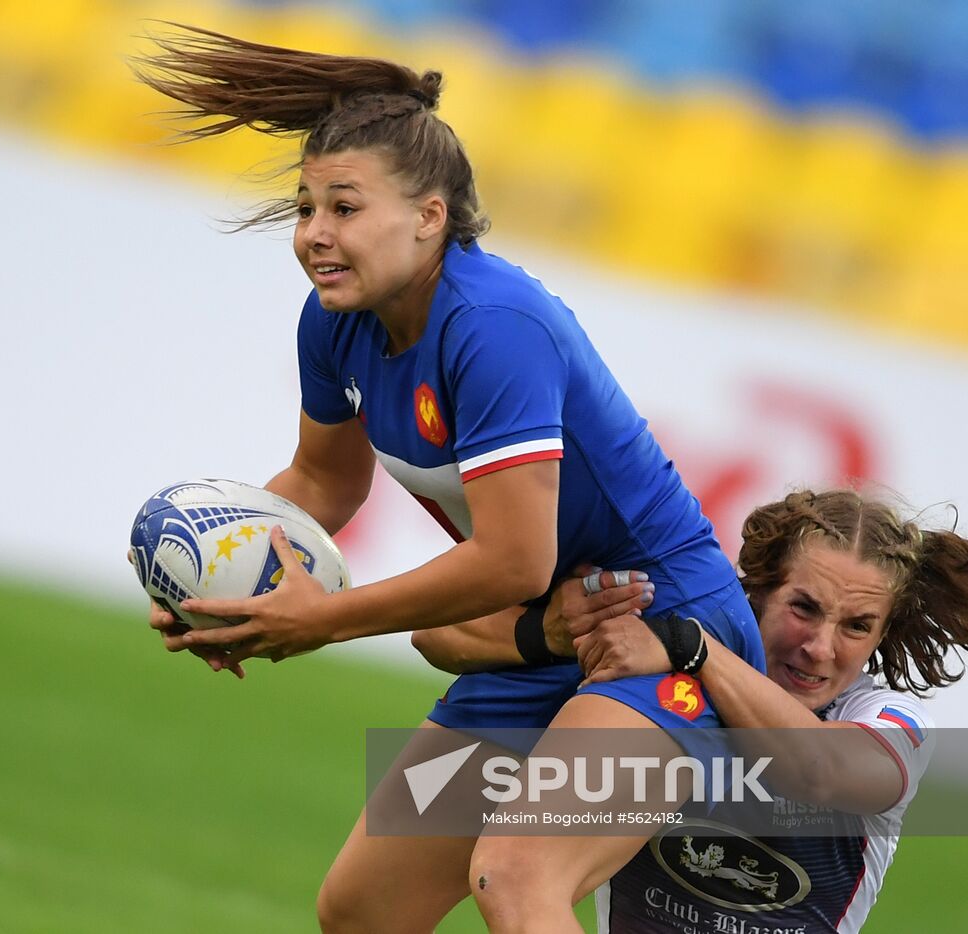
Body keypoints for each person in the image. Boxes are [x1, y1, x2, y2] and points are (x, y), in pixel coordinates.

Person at [133, 26, 765, 933]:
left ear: (430, 216)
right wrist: (225, 584)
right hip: (536, 643)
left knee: (515, 878)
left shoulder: (495, 326)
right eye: (306, 207)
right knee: (362, 910)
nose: (314, 234)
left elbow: (512, 558)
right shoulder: (334, 321)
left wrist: (321, 620)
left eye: (343, 208)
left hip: (661, 638)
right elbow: (322, 483)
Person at [415, 488, 968, 932]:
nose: (820, 648)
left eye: (857, 626)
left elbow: (821, 770)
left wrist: (692, 648)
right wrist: (550, 632)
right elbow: (435, 634)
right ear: (756, 589)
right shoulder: (661, 668)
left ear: (883, 633)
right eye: (803, 608)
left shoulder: (891, 724)